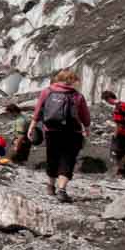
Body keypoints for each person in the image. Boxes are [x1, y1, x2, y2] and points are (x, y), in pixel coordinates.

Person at [30, 69, 92, 201]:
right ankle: (62, 190)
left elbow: (38, 109)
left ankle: (50, 186)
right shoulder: (77, 96)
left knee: (52, 157)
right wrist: (86, 128)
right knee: (68, 159)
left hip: (51, 131)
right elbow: (85, 115)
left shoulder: (47, 91)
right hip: (72, 132)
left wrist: (32, 126)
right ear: (71, 80)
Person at [101, 91, 125, 178]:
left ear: (109, 99)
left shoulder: (118, 109)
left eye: (106, 100)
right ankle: (123, 171)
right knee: (121, 152)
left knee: (115, 152)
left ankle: (124, 172)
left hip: (123, 133)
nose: (107, 103)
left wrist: (115, 134)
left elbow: (119, 125)